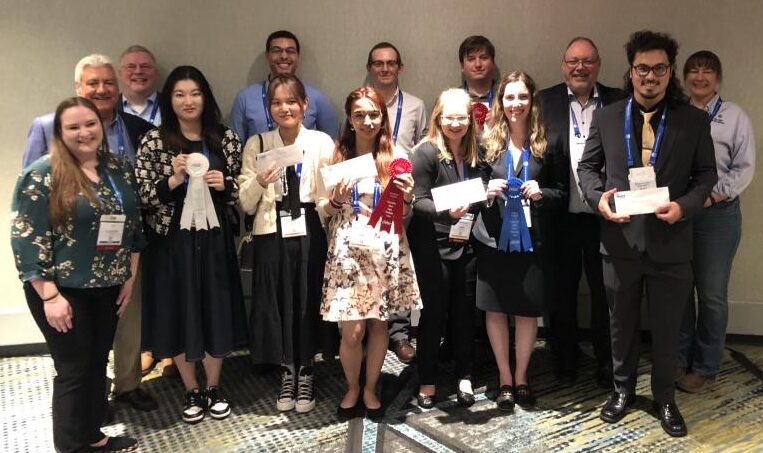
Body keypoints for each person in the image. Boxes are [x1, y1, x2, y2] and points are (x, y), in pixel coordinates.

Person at [577, 30, 717, 437]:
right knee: (620, 324)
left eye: (658, 69)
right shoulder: (607, 115)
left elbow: (707, 174)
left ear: (670, 72)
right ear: (631, 71)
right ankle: (622, 391)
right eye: (642, 68)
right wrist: (597, 198)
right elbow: (588, 169)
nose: (650, 77)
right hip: (619, 240)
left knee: (668, 325)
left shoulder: (693, 119)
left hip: (671, 241)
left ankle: (664, 398)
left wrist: (685, 207)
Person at [20, 53, 157, 414]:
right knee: (77, 351)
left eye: (108, 83)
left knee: (125, 323)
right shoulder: (48, 127)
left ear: (119, 87)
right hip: (72, 262)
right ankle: (85, 401)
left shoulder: (135, 128)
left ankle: (126, 384)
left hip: (121, 254)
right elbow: (33, 202)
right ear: (78, 89)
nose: (101, 89)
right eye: (92, 83)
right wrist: (46, 285)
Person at [11, 97, 143, 452]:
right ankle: (70, 446)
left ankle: (92, 436)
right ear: (59, 132)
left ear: (102, 127)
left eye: (91, 124)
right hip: (63, 291)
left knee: (98, 362)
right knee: (74, 369)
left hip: (110, 284)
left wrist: (129, 276)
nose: (84, 132)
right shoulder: (42, 173)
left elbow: (132, 226)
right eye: (73, 127)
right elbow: (27, 239)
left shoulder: (117, 168)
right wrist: (49, 295)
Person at [135, 65, 247, 424]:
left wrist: (223, 185)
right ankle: (190, 388)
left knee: (216, 307)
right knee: (178, 309)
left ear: (206, 97)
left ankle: (213, 385)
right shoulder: (155, 141)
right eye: (180, 94)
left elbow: (239, 193)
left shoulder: (225, 137)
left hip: (214, 241)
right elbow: (144, 197)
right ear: (170, 100)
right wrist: (174, 179)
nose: (188, 101)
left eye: (195, 93)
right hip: (172, 243)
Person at [317, 87, 421, 422]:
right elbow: (322, 209)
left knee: (379, 326)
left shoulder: (397, 157)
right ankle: (351, 386)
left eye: (373, 114)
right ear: (349, 118)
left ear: (382, 117)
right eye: (359, 114)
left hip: (385, 250)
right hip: (348, 253)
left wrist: (407, 198)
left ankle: (371, 387)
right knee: (352, 331)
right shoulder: (336, 157)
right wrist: (335, 200)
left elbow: (405, 214)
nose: (367, 121)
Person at [238, 73, 335, 413]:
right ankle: (287, 369)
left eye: (291, 101)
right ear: (269, 108)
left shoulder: (322, 142)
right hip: (271, 229)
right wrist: (261, 182)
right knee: (278, 300)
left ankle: (307, 367)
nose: (285, 108)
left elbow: (327, 196)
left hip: (309, 227)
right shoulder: (258, 144)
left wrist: (332, 205)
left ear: (304, 105)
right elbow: (246, 203)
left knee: (307, 297)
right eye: (277, 103)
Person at [475, 71, 567, 412]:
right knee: (496, 310)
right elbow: (473, 190)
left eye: (522, 97)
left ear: (532, 101)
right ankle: (504, 379)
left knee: (527, 310)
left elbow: (563, 193)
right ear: (501, 101)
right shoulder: (486, 142)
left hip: (533, 241)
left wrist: (542, 193)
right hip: (494, 241)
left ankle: (523, 376)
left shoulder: (550, 141)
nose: (516, 104)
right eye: (509, 97)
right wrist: (486, 191)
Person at [538, 37, 625, 387]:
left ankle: (607, 361)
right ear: (563, 65)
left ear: (598, 65)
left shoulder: (619, 100)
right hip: (560, 216)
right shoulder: (544, 102)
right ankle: (565, 360)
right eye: (573, 61)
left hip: (606, 218)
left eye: (588, 61)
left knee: (606, 294)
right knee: (561, 293)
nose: (580, 68)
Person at [677, 50, 756, 393]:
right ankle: (679, 358)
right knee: (679, 290)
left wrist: (712, 196)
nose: (700, 77)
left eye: (707, 71)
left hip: (717, 215)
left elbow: (744, 167)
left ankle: (706, 366)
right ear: (684, 78)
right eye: (693, 71)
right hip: (680, 214)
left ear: (718, 78)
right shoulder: (675, 113)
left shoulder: (735, 116)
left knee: (711, 294)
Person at [409, 88, 481, 408]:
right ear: (438, 117)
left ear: (470, 120)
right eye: (449, 117)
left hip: (466, 245)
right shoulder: (426, 152)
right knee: (434, 315)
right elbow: (417, 201)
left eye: (461, 117)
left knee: (465, 313)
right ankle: (427, 380)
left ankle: (465, 375)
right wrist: (446, 207)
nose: (455, 124)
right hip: (432, 246)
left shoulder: (475, 152)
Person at [365, 41, 428, 363]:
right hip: (366, 199)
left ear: (399, 68)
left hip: (400, 195)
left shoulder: (416, 106)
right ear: (370, 68)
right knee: (371, 265)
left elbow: (424, 151)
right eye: (378, 63)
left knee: (400, 263)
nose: (385, 68)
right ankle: (371, 327)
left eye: (391, 63)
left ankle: (400, 334)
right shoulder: (360, 102)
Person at [229, 30, 338, 141]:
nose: (284, 56)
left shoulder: (317, 98)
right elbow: (235, 148)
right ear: (267, 56)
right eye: (277, 51)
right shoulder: (245, 98)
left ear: (298, 57)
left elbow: (334, 145)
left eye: (290, 51)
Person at [458, 35, 498, 132]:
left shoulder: (507, 97)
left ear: (493, 62)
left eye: (484, 58)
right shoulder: (451, 99)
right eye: (471, 59)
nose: (478, 64)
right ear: (462, 66)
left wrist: (502, 121)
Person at [118, 45, 162, 126]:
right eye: (131, 67)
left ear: (155, 73)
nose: (138, 71)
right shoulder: (110, 107)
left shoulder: (172, 106)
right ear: (120, 74)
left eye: (145, 66)